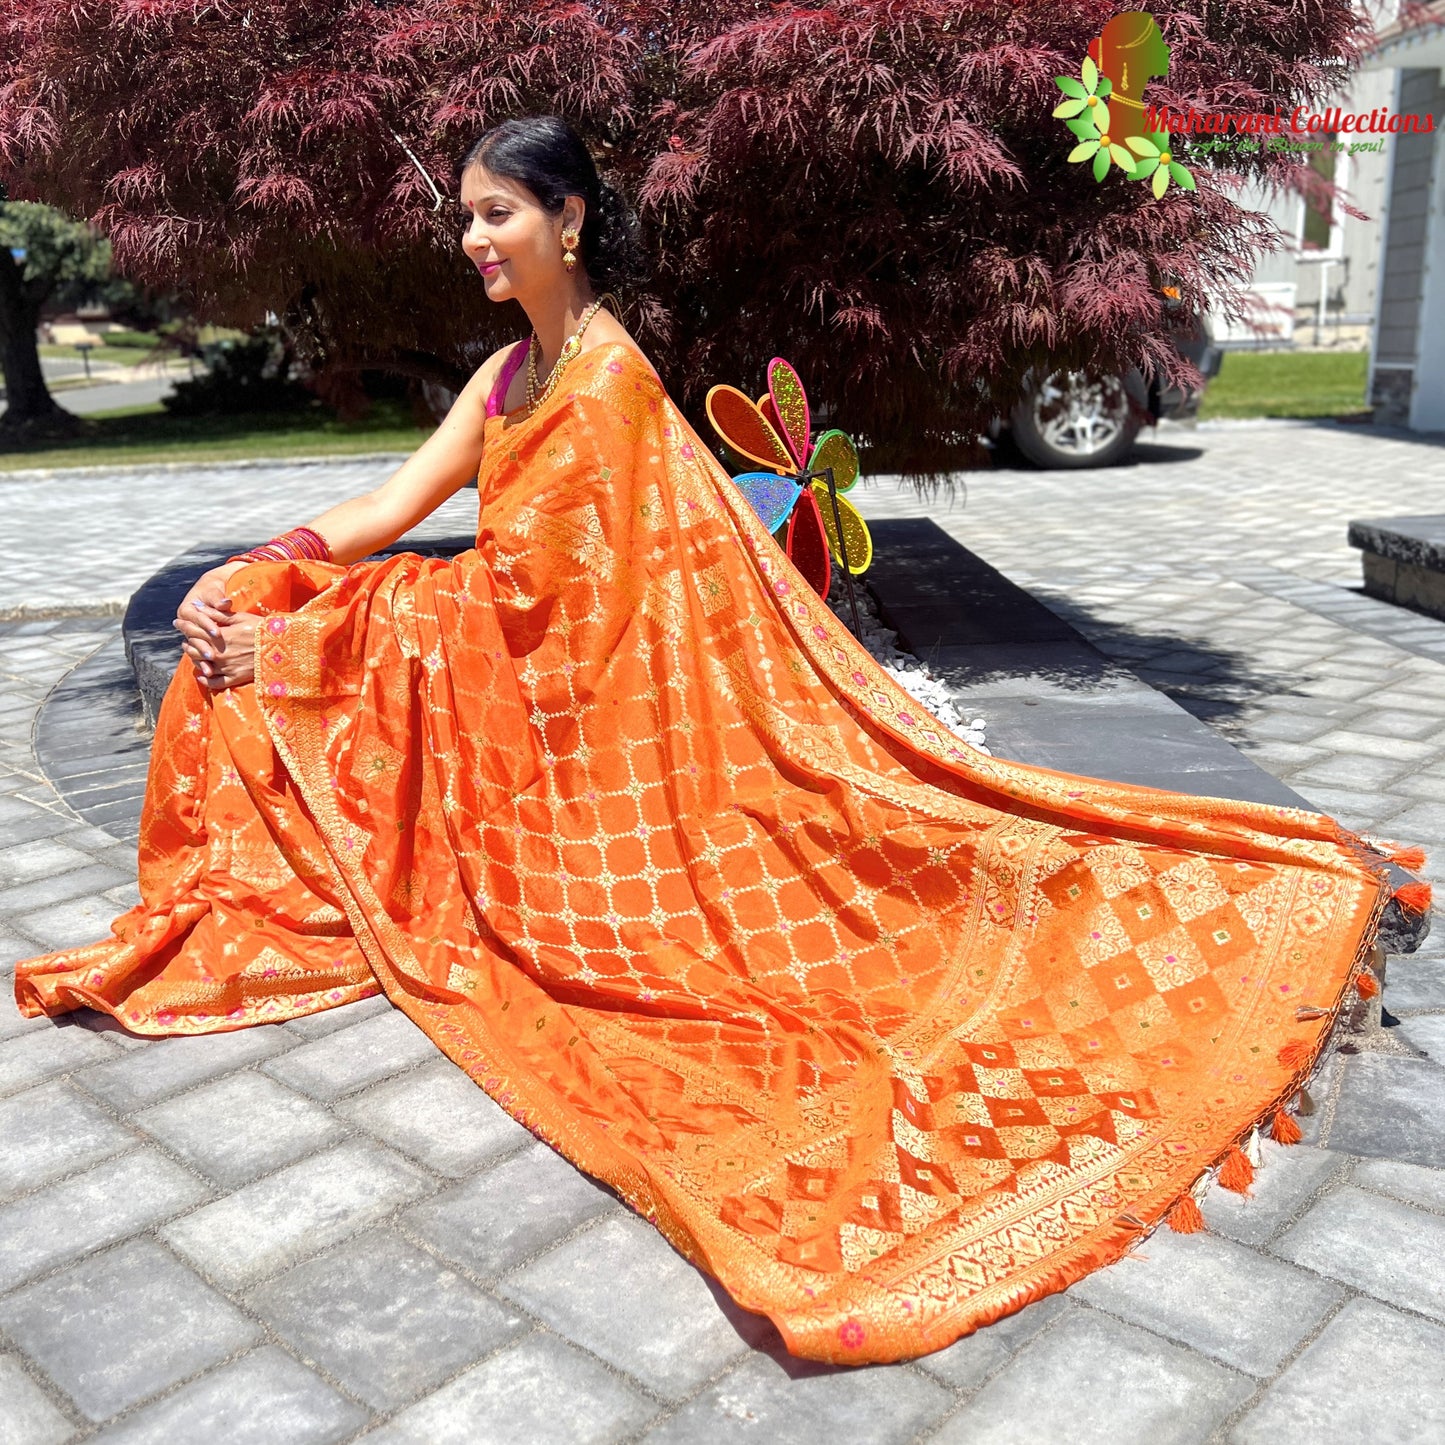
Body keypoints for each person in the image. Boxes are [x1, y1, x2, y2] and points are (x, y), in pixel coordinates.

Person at [13, 115, 1424, 1366]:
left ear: (566, 220)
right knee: (249, 631)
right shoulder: (505, 374)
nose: (472, 239)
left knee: (321, 644)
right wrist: (263, 567)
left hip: (599, 717)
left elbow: (561, 603)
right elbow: (396, 503)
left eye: (495, 212)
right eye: (462, 216)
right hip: (524, 699)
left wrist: (324, 636)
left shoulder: (607, 380)